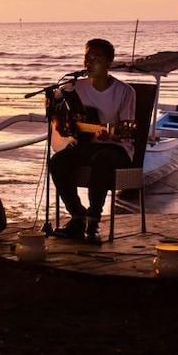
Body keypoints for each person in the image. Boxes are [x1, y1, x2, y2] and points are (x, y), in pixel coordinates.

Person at [49, 38, 136, 243]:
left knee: (103, 159)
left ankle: (94, 219)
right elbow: (58, 111)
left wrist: (112, 134)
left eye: (96, 58)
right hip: (86, 144)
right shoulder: (75, 87)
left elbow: (126, 131)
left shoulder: (125, 92)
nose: (89, 62)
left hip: (117, 148)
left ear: (109, 62)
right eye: (87, 57)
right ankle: (78, 216)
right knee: (58, 162)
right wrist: (59, 120)